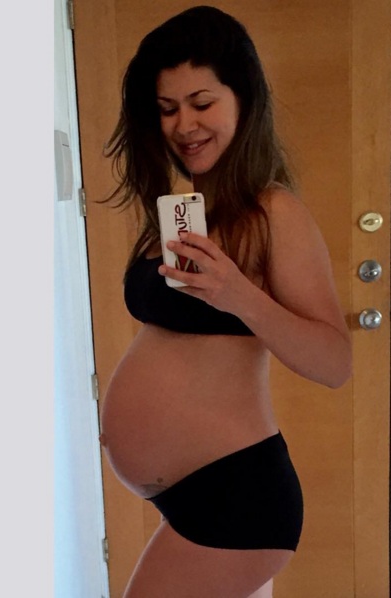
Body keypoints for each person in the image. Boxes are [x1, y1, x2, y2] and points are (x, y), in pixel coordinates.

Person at [98, 5, 352, 597]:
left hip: (237, 495)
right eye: (167, 109)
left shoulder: (274, 212)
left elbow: (334, 362)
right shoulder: (187, 211)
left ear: (243, 99)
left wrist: (239, 295)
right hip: (200, 496)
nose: (184, 124)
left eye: (201, 103)